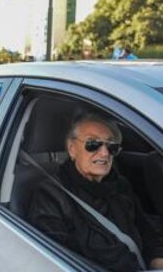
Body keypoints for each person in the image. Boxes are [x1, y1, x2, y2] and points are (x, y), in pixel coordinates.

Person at [26, 113, 163, 271]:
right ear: (72, 149)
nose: (105, 153)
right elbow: (55, 260)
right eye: (93, 144)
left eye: (111, 146)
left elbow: (146, 230)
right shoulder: (50, 195)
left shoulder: (120, 185)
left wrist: (157, 260)